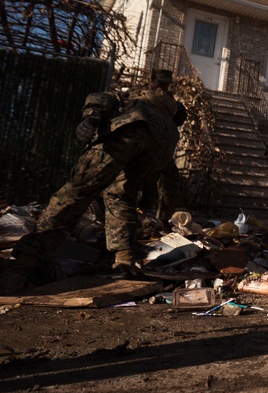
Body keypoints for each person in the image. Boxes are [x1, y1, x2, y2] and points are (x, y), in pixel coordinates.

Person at [1, 69, 186, 292]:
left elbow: (103, 98)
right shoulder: (168, 125)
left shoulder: (138, 99)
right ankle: (124, 262)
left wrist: (91, 118)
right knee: (121, 197)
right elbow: (171, 183)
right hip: (160, 150)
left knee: (76, 192)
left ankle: (21, 266)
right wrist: (163, 217)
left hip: (127, 130)